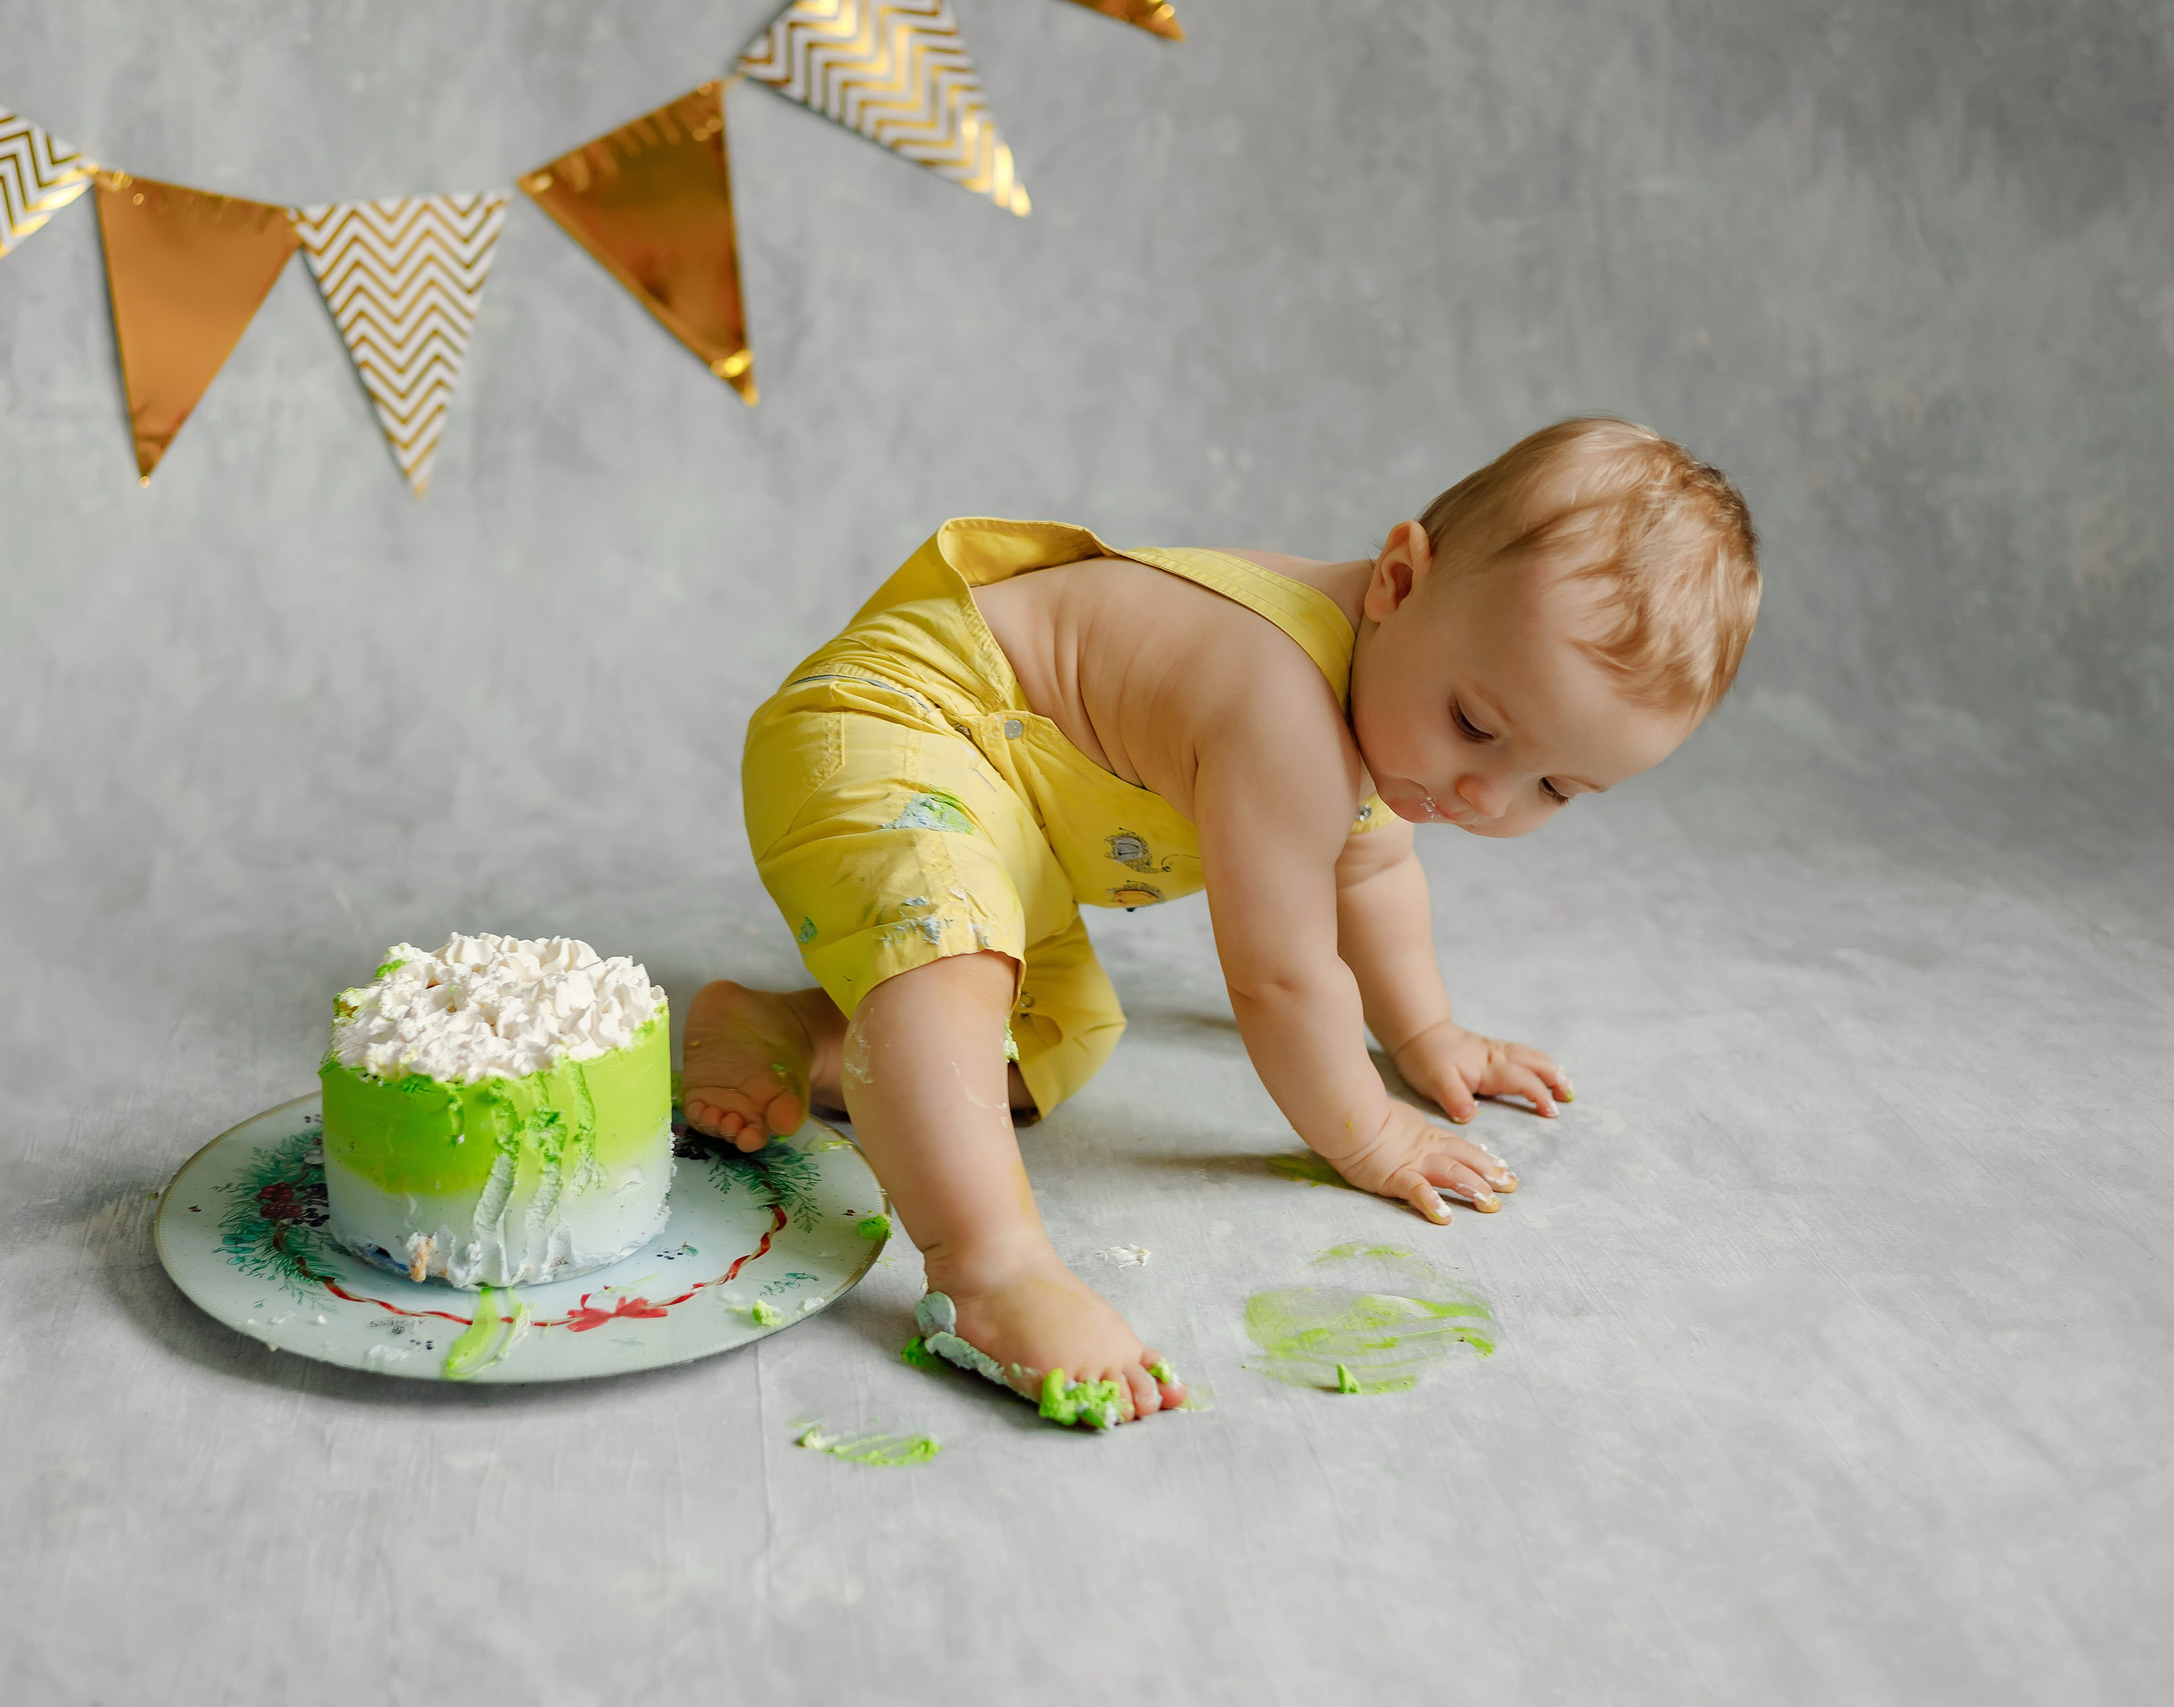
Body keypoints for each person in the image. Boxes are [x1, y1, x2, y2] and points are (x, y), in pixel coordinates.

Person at [681, 417, 1760, 1424]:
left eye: (1555, 788)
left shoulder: (1392, 701)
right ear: (1397, 580)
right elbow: (1281, 977)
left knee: (1054, 1038)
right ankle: (990, 1268)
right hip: (898, 720)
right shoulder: (1285, 707)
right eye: (1476, 724)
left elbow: (1374, 872)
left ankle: (793, 1033)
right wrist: (1369, 1132)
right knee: (952, 960)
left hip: (1013, 810)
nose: (1485, 795)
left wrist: (1426, 1033)